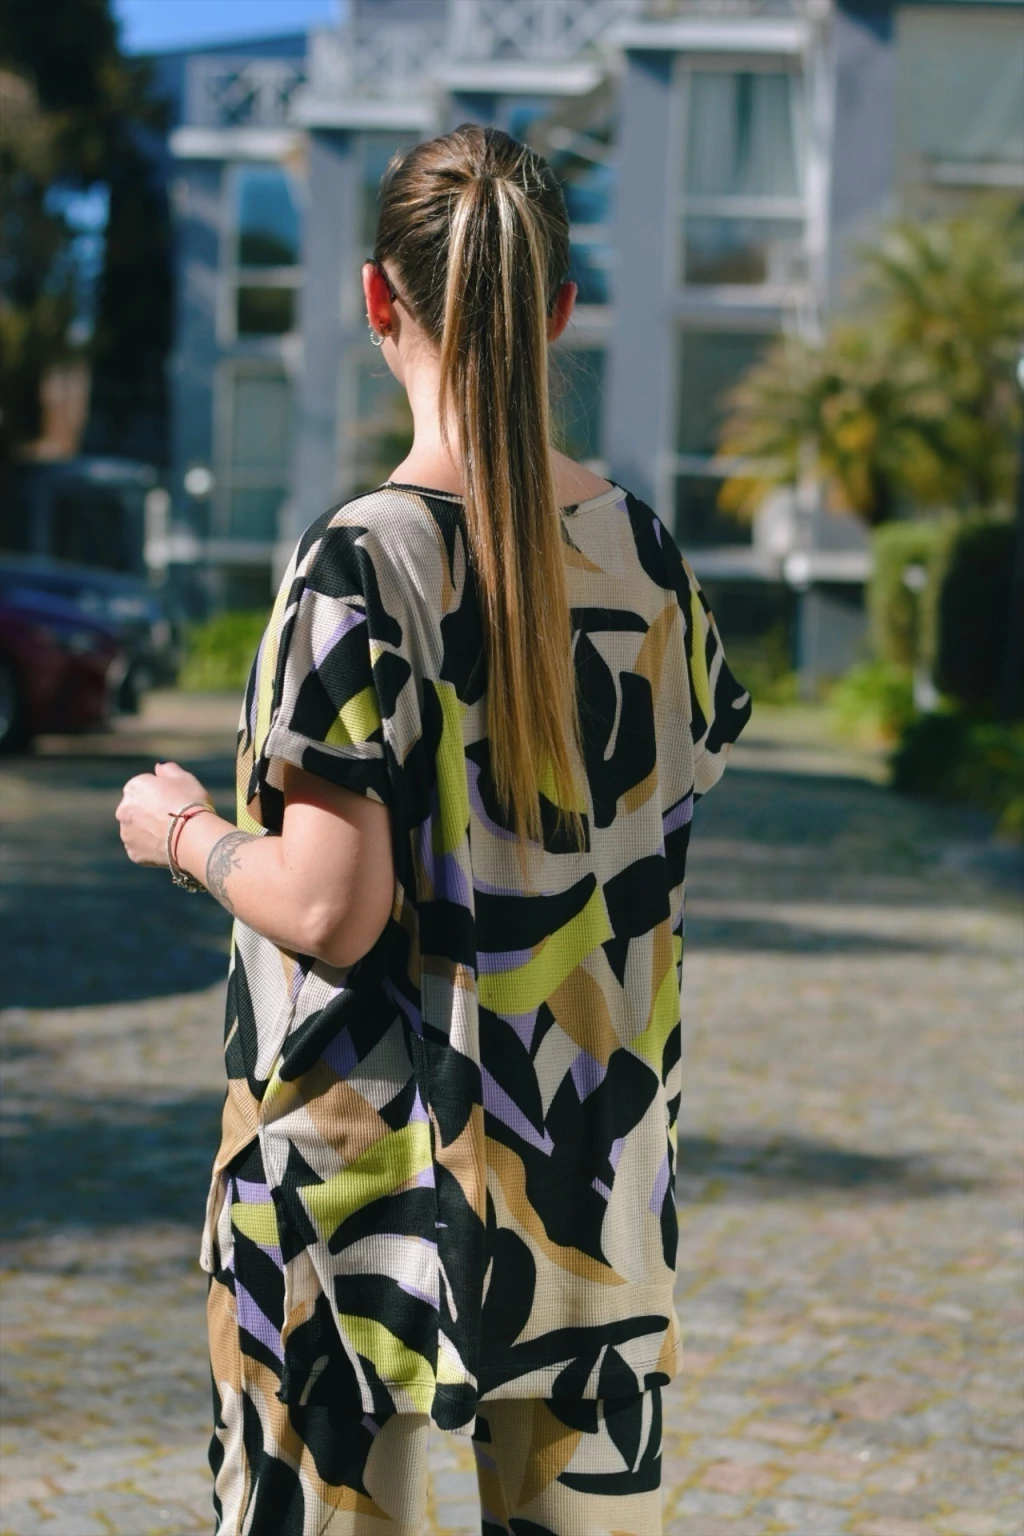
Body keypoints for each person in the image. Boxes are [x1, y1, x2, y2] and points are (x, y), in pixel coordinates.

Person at [116, 124, 750, 1536]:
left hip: (351, 1201)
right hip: (588, 1186)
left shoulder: (359, 561)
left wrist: (183, 832)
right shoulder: (648, 558)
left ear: (374, 300)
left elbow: (331, 910)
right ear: (562, 311)